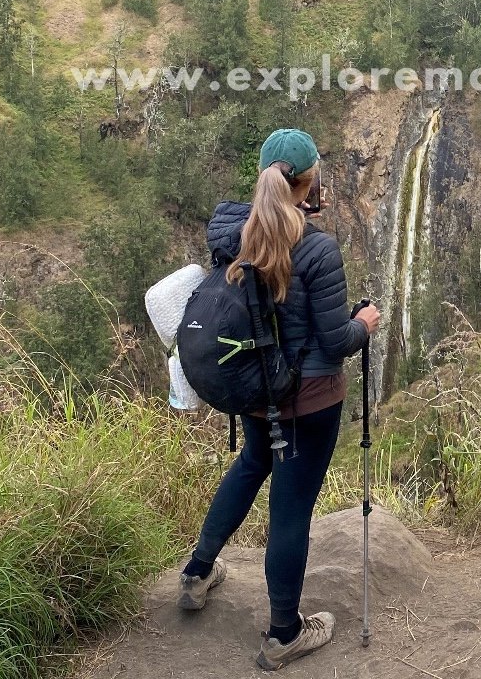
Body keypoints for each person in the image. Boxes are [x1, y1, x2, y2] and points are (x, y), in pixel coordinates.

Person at [177, 128, 381, 671]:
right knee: (291, 509)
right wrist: (365, 322)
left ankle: (198, 572)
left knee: (252, 463)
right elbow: (335, 341)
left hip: (255, 389)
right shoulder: (316, 248)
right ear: (309, 181)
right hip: (308, 401)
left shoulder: (238, 238)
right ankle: (284, 633)